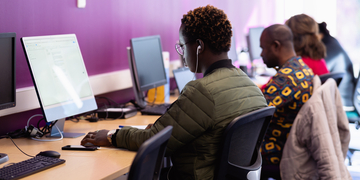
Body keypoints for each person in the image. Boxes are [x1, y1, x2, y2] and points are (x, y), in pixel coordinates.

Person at [81, 5, 268, 180]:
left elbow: (154, 141)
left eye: (182, 45)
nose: (182, 53)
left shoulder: (202, 91)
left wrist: (111, 135)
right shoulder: (250, 86)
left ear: (199, 46)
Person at [259, 24, 314, 179]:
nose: (261, 54)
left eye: (263, 48)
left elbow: (250, 112)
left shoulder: (285, 80)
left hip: (274, 153)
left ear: (276, 46)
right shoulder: (302, 68)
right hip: (294, 147)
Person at [318, 21, 355, 108]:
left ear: (318, 34)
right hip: (343, 99)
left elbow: (321, 70)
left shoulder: (329, 47)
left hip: (343, 101)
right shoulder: (332, 42)